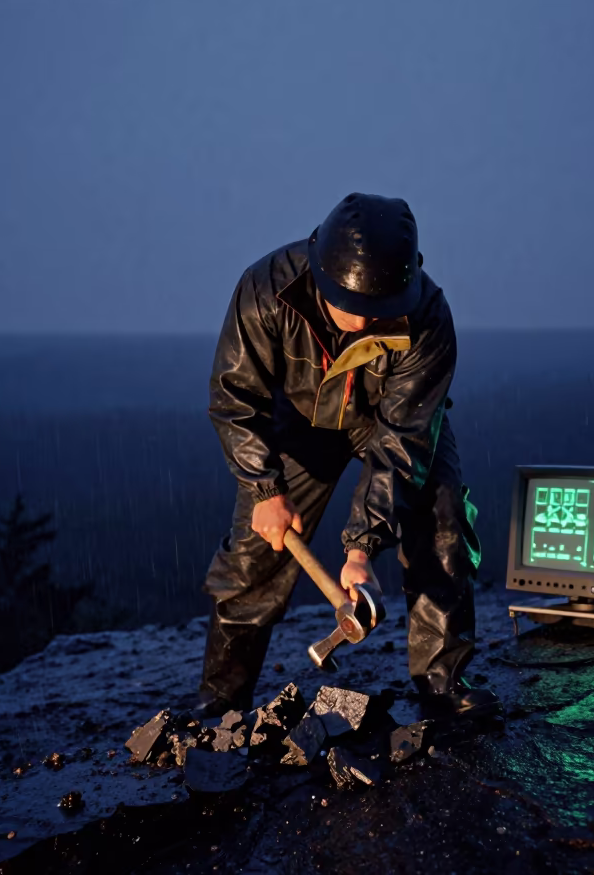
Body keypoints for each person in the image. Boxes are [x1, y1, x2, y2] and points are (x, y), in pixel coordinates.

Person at [194, 192, 501, 720]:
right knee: (253, 552)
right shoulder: (265, 289)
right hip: (298, 422)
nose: (359, 323)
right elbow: (234, 399)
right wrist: (264, 489)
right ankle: (222, 696)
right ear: (320, 274)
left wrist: (361, 550)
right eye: (347, 304)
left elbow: (401, 442)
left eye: (376, 311)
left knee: (442, 520)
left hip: (389, 420)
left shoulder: (428, 317)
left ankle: (443, 683)